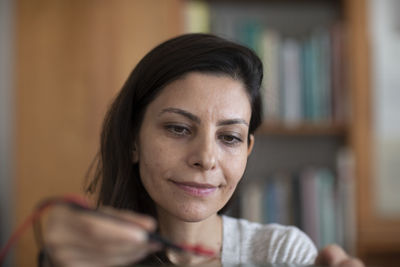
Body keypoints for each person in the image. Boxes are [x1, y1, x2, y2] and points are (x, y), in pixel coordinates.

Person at [42, 33, 363, 267]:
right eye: (178, 129)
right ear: (132, 140)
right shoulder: (90, 256)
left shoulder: (280, 254)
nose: (206, 158)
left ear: (248, 149)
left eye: (230, 138)